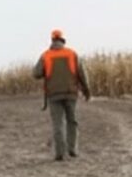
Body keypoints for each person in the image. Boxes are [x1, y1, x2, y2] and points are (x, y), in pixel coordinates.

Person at [32, 29, 91, 161]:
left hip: (53, 95)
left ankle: (59, 153)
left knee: (58, 124)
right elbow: (82, 74)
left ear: (52, 40)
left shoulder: (45, 55)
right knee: (72, 121)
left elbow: (36, 73)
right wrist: (87, 91)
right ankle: (73, 149)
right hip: (71, 93)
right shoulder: (72, 54)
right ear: (63, 40)